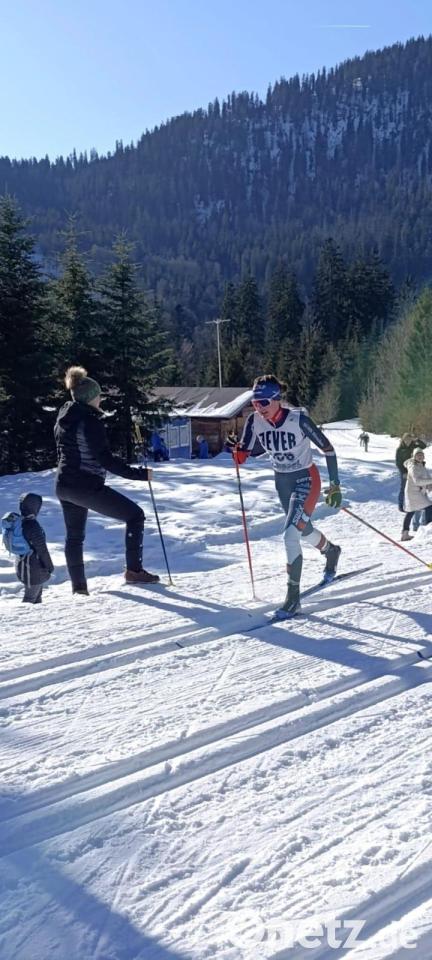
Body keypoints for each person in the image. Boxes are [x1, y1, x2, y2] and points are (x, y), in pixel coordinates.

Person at [231, 374, 342, 618]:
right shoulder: (254, 421)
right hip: (282, 481)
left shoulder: (298, 420)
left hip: (306, 479)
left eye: (263, 402)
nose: (258, 408)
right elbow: (244, 452)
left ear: (276, 399)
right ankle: (330, 550)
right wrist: (237, 453)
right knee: (303, 529)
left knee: (290, 535)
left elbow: (328, 449)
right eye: (255, 402)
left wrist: (335, 485)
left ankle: (293, 599)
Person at [54, 366, 159, 594]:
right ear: (90, 397)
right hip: (85, 485)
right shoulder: (90, 421)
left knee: (74, 537)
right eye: (98, 395)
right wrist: (140, 475)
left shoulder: (64, 417)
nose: (100, 399)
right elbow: (106, 460)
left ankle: (79, 589)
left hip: (63, 484)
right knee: (135, 515)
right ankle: (134, 571)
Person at [15, 493, 54, 603]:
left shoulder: (19, 522)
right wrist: (50, 566)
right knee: (29, 601)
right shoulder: (32, 526)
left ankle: (38, 614)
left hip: (23, 565)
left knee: (37, 598)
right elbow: (42, 550)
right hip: (34, 569)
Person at [401, 448, 432, 540]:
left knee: (411, 511)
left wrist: (429, 484)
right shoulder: (413, 466)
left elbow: (426, 477)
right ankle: (428, 530)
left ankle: (405, 533)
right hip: (413, 492)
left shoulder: (421, 465)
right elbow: (417, 481)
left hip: (417, 492)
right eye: (418, 455)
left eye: (421, 455)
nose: (420, 456)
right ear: (414, 456)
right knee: (429, 507)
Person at [396, 433, 426, 511]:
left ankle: (420, 503)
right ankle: (400, 505)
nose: (408, 441)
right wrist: (403, 472)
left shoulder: (414, 447)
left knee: (419, 487)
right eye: (406, 439)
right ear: (403, 440)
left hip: (415, 470)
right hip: (405, 472)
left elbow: (424, 446)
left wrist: (417, 440)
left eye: (409, 439)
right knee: (404, 488)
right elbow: (398, 463)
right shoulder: (400, 449)